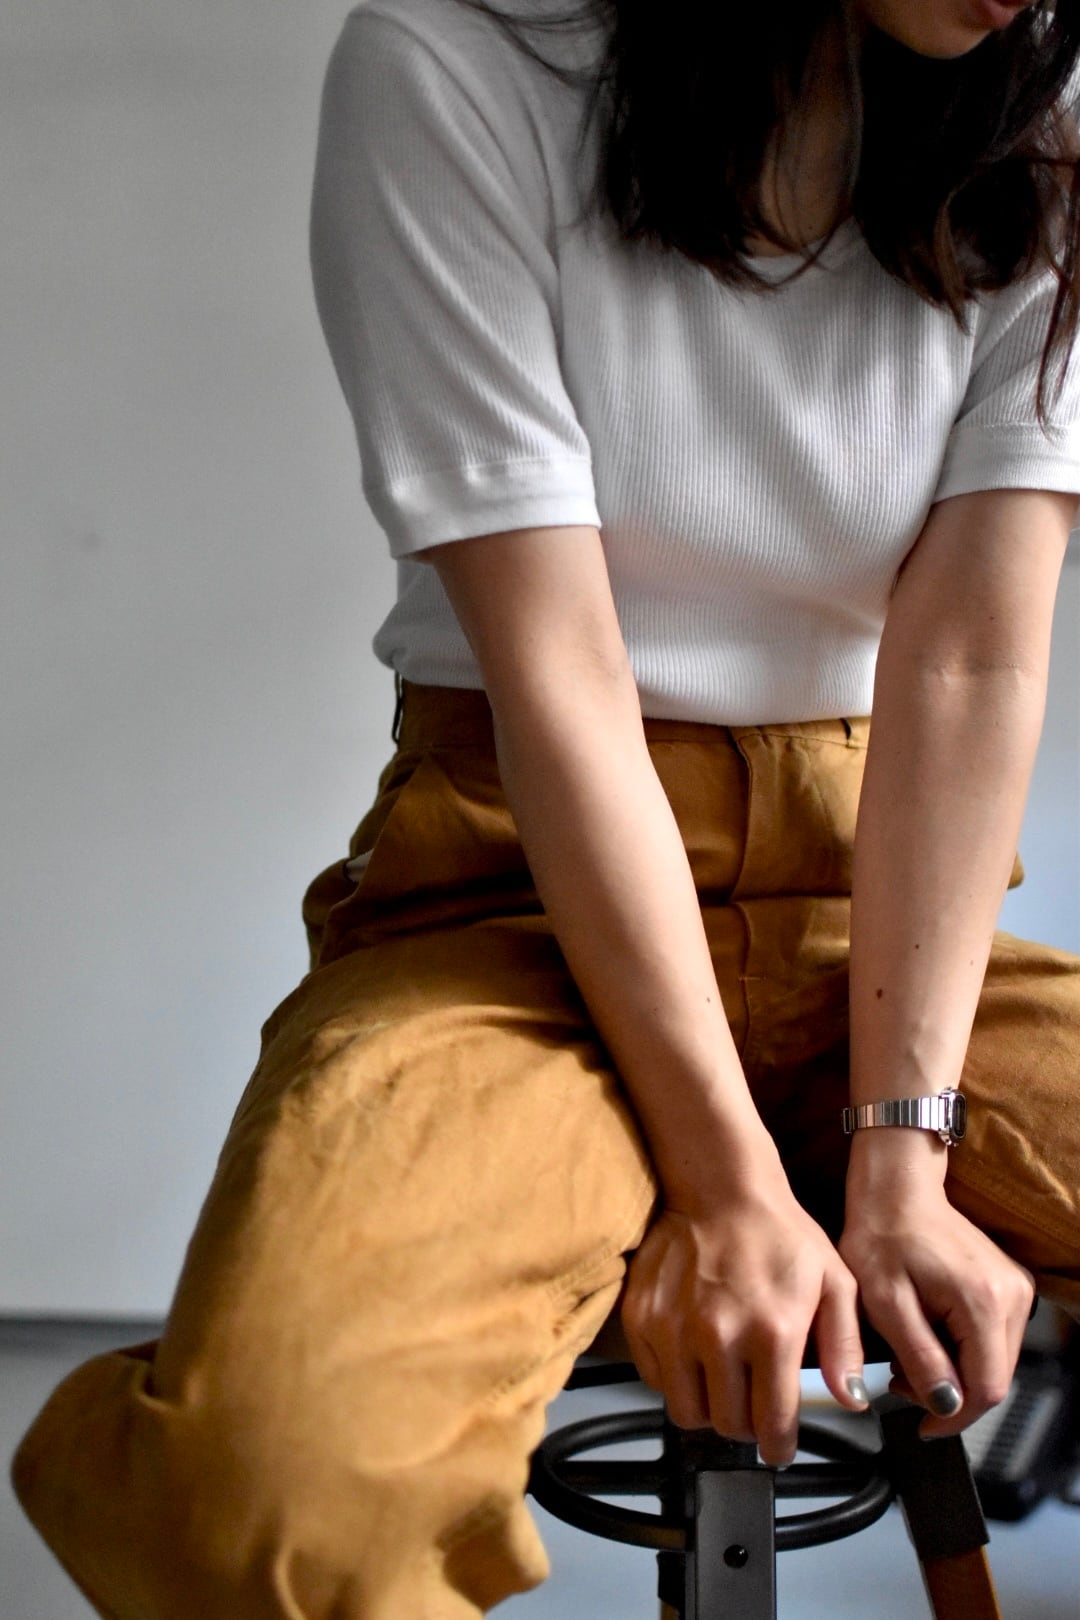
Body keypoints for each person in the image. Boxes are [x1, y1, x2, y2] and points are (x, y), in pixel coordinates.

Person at [12, 0, 1080, 1615]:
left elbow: (970, 661)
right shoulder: (454, 70)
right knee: (271, 1494)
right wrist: (727, 1185)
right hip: (514, 904)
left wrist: (900, 1158)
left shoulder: (1044, 116)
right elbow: (563, 677)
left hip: (882, 919)